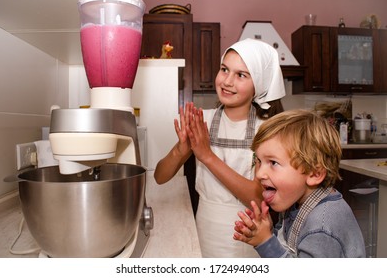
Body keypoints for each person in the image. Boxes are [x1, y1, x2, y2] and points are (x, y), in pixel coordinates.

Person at [154, 38, 286, 257]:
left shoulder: (268, 130)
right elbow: (160, 177)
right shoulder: (202, 119)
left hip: (247, 231)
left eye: (241, 75)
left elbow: (259, 197)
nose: (227, 81)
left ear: (258, 84)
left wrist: (207, 156)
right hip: (204, 226)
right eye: (224, 69)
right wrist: (181, 148)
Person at [233, 109, 366, 258]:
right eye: (258, 161)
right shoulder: (295, 201)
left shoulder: (321, 228)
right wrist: (268, 232)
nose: (259, 174)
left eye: (273, 163)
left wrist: (265, 242)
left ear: (314, 174)